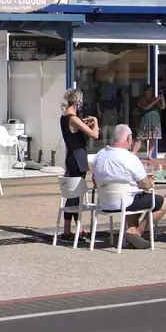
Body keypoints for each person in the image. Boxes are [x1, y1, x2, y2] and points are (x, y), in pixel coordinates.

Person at [88, 124, 166, 249]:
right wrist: (150, 182)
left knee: (134, 195)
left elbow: (94, 180)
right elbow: (145, 184)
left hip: (104, 203)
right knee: (164, 203)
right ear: (129, 138)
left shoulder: (99, 155)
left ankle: (131, 232)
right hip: (125, 202)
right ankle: (137, 232)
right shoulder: (130, 157)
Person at [60, 90, 99, 237]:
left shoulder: (65, 117)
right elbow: (95, 134)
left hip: (72, 156)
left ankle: (76, 227)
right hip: (78, 157)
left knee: (75, 193)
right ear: (78, 102)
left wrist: (84, 124)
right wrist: (95, 121)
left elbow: (75, 131)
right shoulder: (73, 119)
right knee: (75, 194)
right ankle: (67, 230)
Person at [135, 87, 166, 159]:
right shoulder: (141, 99)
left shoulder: (154, 98)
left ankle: (149, 155)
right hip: (145, 122)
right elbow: (146, 107)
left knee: (153, 139)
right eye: (147, 90)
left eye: (150, 90)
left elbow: (163, 107)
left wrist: (162, 98)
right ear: (145, 91)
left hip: (155, 122)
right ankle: (133, 154)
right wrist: (156, 100)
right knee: (140, 138)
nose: (149, 92)